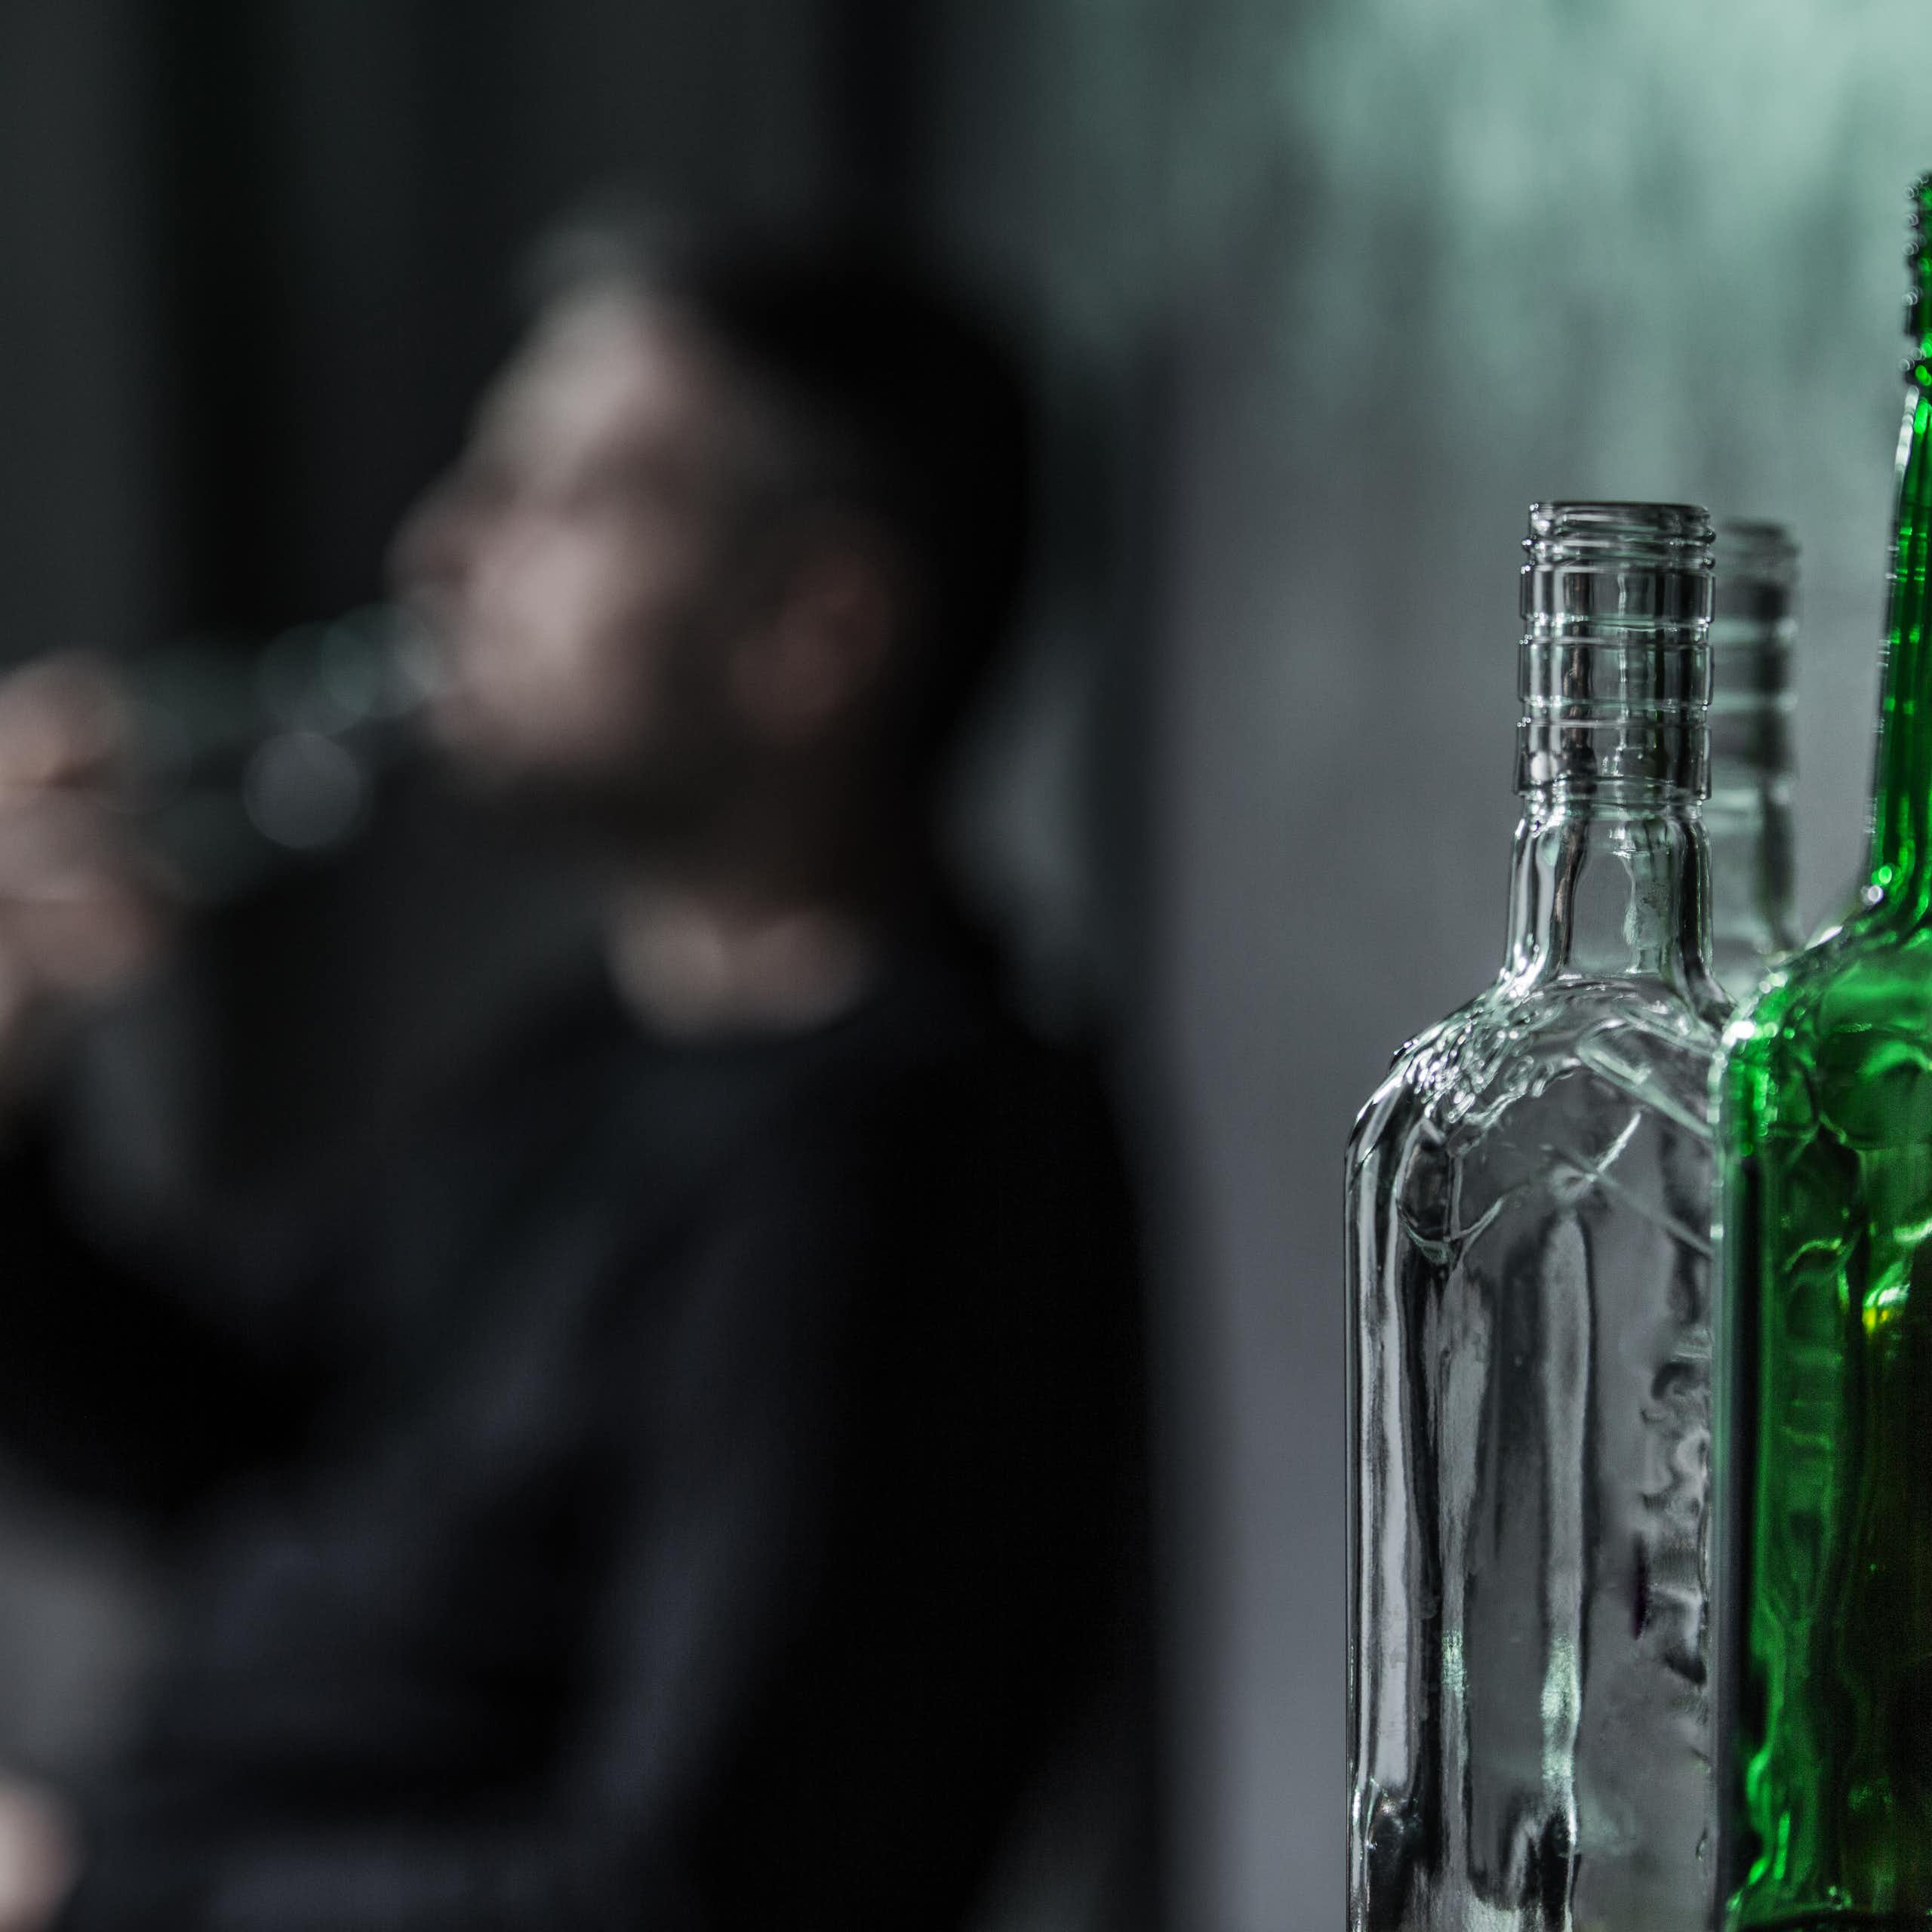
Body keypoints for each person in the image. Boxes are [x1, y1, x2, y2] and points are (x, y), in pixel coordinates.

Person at [0, 215, 1158, 1929]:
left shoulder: (920, 1165)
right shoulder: (602, 1055)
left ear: (813, 627)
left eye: (569, 493)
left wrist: (101, 1884)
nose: (443, 552)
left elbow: (703, 1894)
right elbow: (249, 1443)